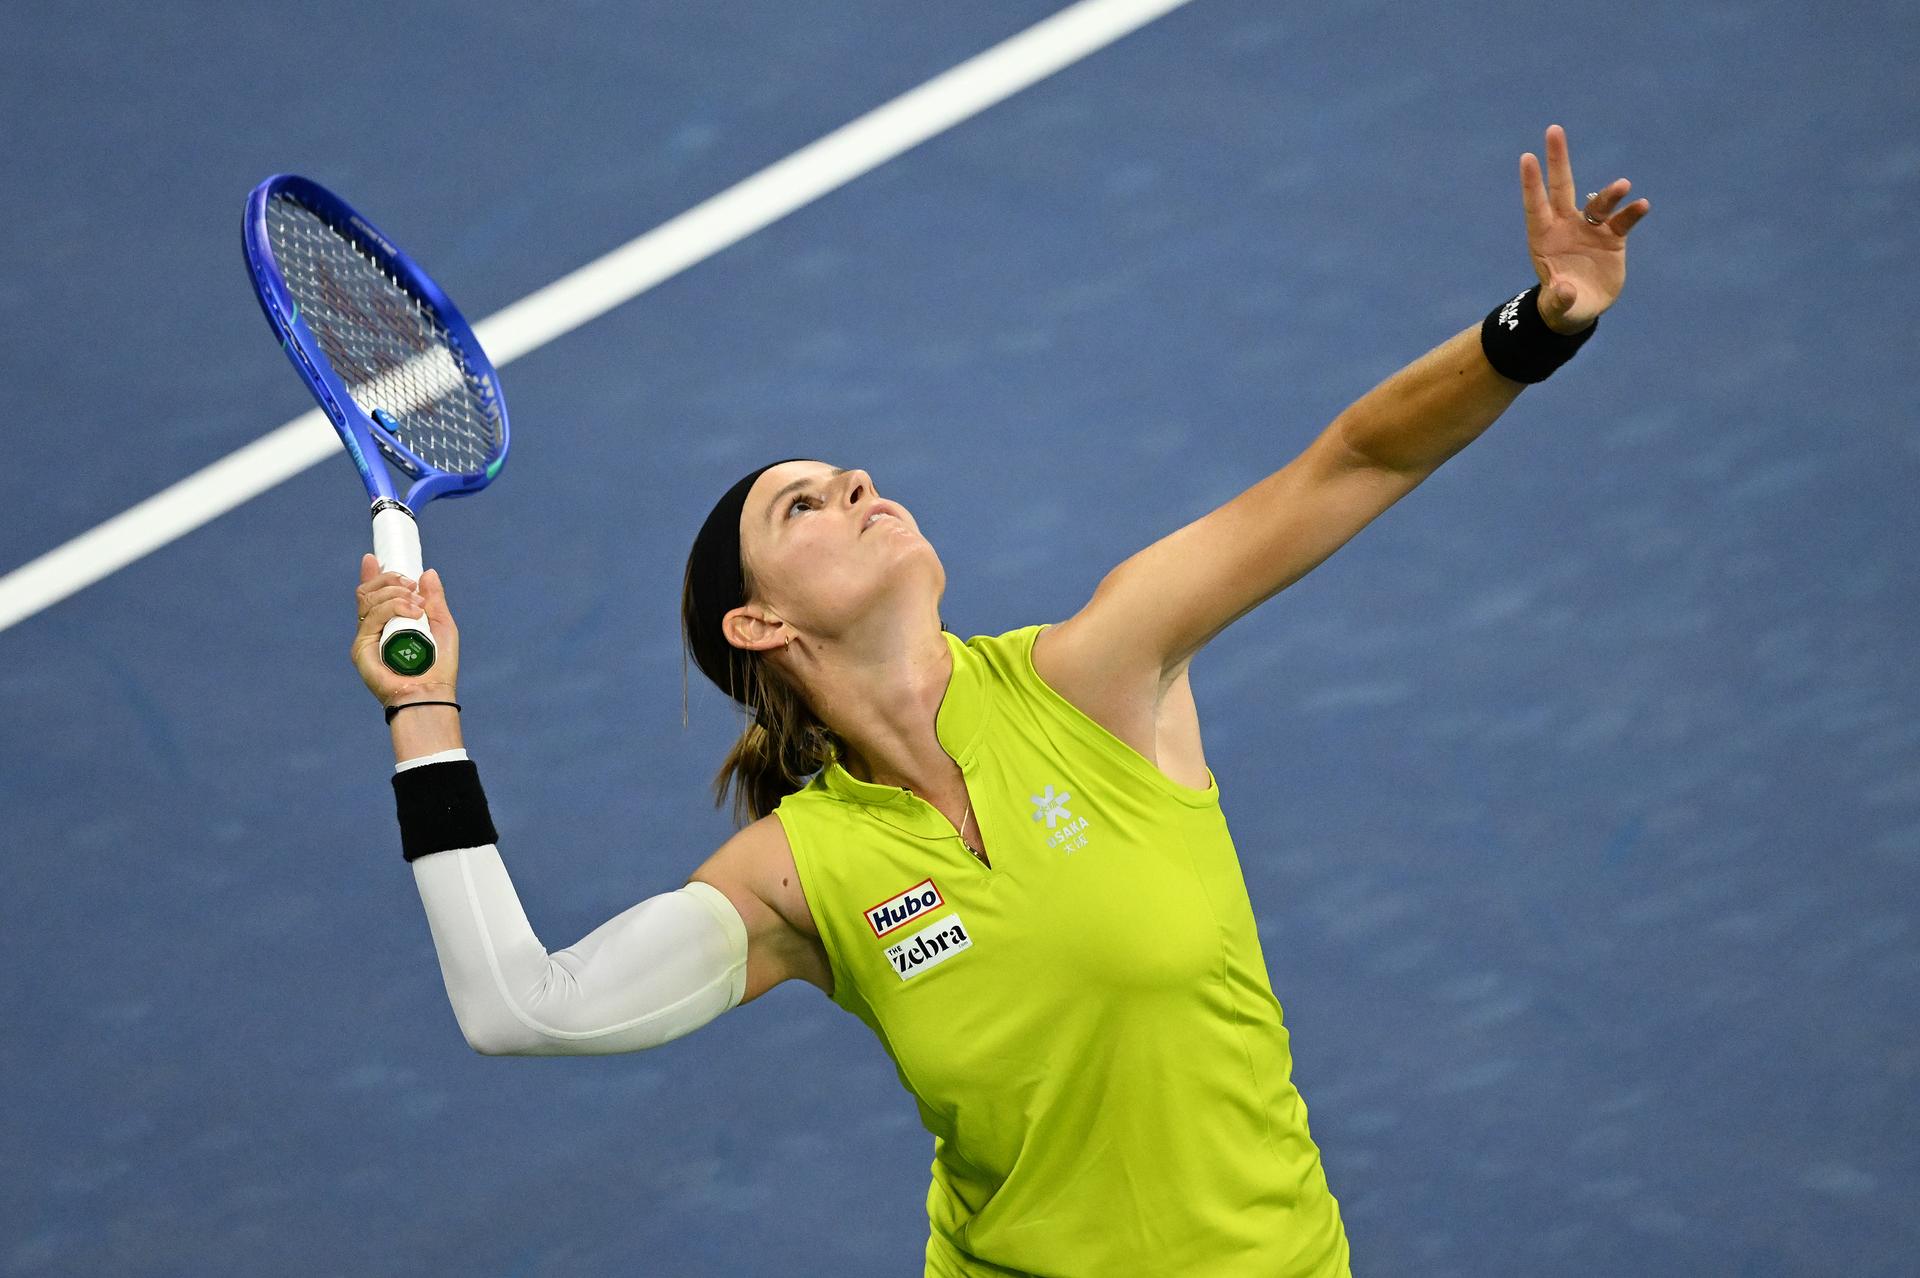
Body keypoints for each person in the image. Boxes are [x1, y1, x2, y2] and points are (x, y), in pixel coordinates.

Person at [354, 124, 1649, 1277]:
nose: (857, 483)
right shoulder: (799, 878)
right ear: (764, 625)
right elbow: (519, 1004)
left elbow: (1349, 462)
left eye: (849, 472)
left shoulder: (1102, 674)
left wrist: (1538, 326)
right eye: (801, 504)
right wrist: (428, 713)